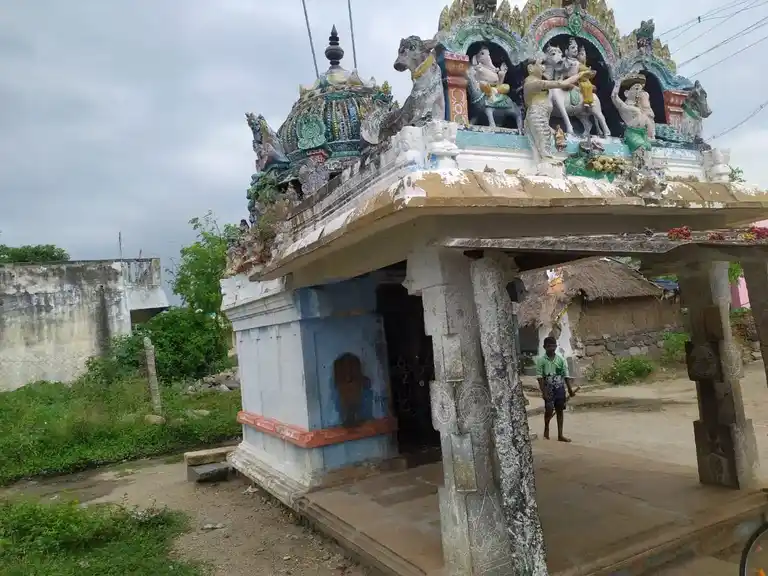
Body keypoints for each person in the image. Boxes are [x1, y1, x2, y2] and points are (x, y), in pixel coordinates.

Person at [535, 336, 578, 442]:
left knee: (560, 411)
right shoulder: (541, 360)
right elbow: (540, 378)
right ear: (544, 347)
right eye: (549, 346)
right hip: (548, 388)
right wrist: (543, 392)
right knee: (549, 410)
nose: (551, 348)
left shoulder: (561, 359)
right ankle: (546, 427)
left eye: (553, 346)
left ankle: (560, 435)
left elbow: (566, 376)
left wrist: (570, 390)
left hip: (560, 388)